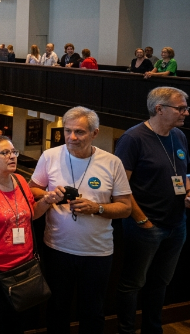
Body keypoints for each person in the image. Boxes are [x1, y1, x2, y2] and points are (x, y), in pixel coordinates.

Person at [29, 107, 132, 334]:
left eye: (79, 132)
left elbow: (126, 208)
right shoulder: (50, 156)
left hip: (97, 252)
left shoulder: (112, 163)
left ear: (95, 133)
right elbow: (32, 191)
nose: (72, 137)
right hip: (57, 248)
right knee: (57, 309)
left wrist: (98, 207)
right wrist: (49, 196)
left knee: (93, 312)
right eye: (68, 131)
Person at [0, 136, 60, 334]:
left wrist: (46, 201)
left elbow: (31, 214)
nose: (12, 156)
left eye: (13, 152)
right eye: (5, 153)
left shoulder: (21, 181)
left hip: (25, 267)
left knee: (19, 325)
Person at [115, 87, 189, 334]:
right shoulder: (132, 139)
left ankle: (152, 330)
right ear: (159, 109)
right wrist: (142, 220)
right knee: (133, 284)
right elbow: (120, 187)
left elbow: (183, 172)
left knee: (160, 283)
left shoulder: (179, 136)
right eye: (180, 108)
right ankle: (126, 330)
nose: (185, 112)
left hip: (176, 224)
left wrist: (187, 192)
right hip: (146, 227)